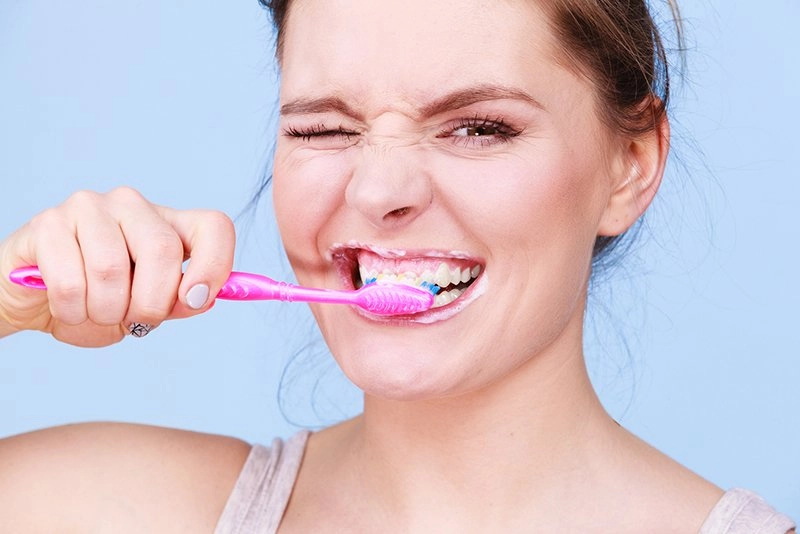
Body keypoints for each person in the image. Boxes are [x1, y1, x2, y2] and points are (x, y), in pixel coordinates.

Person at [0, 0, 795, 532]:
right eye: (323, 131)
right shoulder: (123, 510)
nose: (378, 191)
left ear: (628, 163)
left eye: (479, 128)